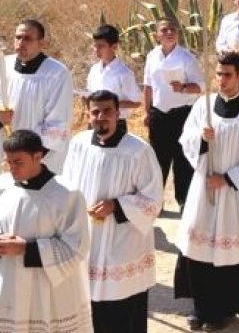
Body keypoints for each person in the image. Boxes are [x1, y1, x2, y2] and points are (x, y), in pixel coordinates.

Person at [174, 52, 239, 331]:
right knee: (198, 247)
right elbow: (186, 140)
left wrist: (228, 179)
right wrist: (201, 140)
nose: (221, 79)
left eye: (227, 74)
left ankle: (222, 310)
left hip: (234, 195)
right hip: (204, 188)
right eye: (218, 74)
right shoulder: (202, 106)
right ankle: (200, 307)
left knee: (228, 253)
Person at [62, 90, 163, 333]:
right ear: (87, 114)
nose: (101, 117)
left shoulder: (138, 151)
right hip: (88, 239)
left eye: (107, 111)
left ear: (118, 114)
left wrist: (116, 205)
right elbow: (67, 187)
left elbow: (153, 199)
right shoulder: (78, 145)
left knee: (124, 308)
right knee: (88, 307)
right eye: (95, 111)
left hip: (124, 241)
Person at [0, 129, 90, 333]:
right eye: (8, 162)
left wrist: (26, 249)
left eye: (18, 162)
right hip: (9, 280)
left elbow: (77, 245)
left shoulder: (66, 194)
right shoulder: (2, 186)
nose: (11, 168)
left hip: (49, 288)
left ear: (38, 156)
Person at [0, 19, 74, 193]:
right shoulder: (2, 65)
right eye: (18, 37)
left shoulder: (57, 74)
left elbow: (59, 121)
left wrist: (28, 158)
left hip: (38, 158)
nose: (21, 43)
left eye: (27, 38)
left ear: (41, 43)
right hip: (3, 149)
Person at [143, 17, 204, 209]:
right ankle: (155, 202)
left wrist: (184, 87)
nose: (169, 33)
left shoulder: (187, 58)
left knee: (182, 159)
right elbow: (148, 86)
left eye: (173, 29)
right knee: (157, 159)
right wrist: (147, 112)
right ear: (156, 35)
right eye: (164, 30)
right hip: (159, 114)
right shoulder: (152, 56)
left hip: (182, 114)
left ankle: (184, 201)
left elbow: (200, 86)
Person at [86, 24, 142, 127]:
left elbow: (137, 102)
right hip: (94, 122)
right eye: (95, 46)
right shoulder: (94, 70)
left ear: (114, 46)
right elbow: (89, 95)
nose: (96, 50)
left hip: (115, 123)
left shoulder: (124, 73)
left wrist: (109, 106)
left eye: (101, 46)